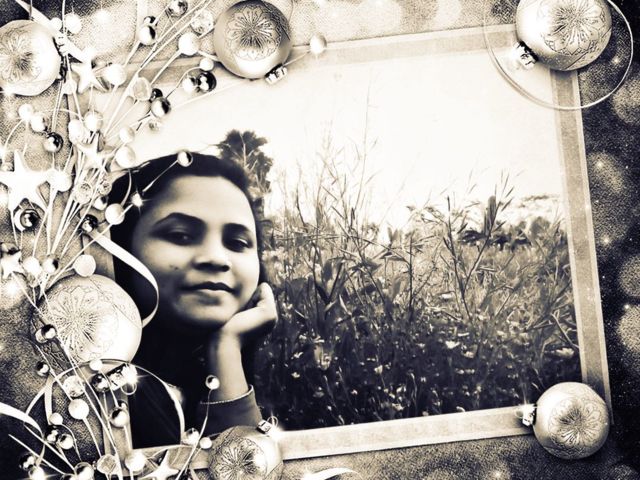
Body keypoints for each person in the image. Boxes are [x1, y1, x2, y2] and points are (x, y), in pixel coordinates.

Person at [109, 152, 277, 447]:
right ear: (122, 246)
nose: (216, 258)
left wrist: (225, 349)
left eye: (237, 243)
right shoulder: (91, 397)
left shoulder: (277, 387)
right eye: (181, 235)